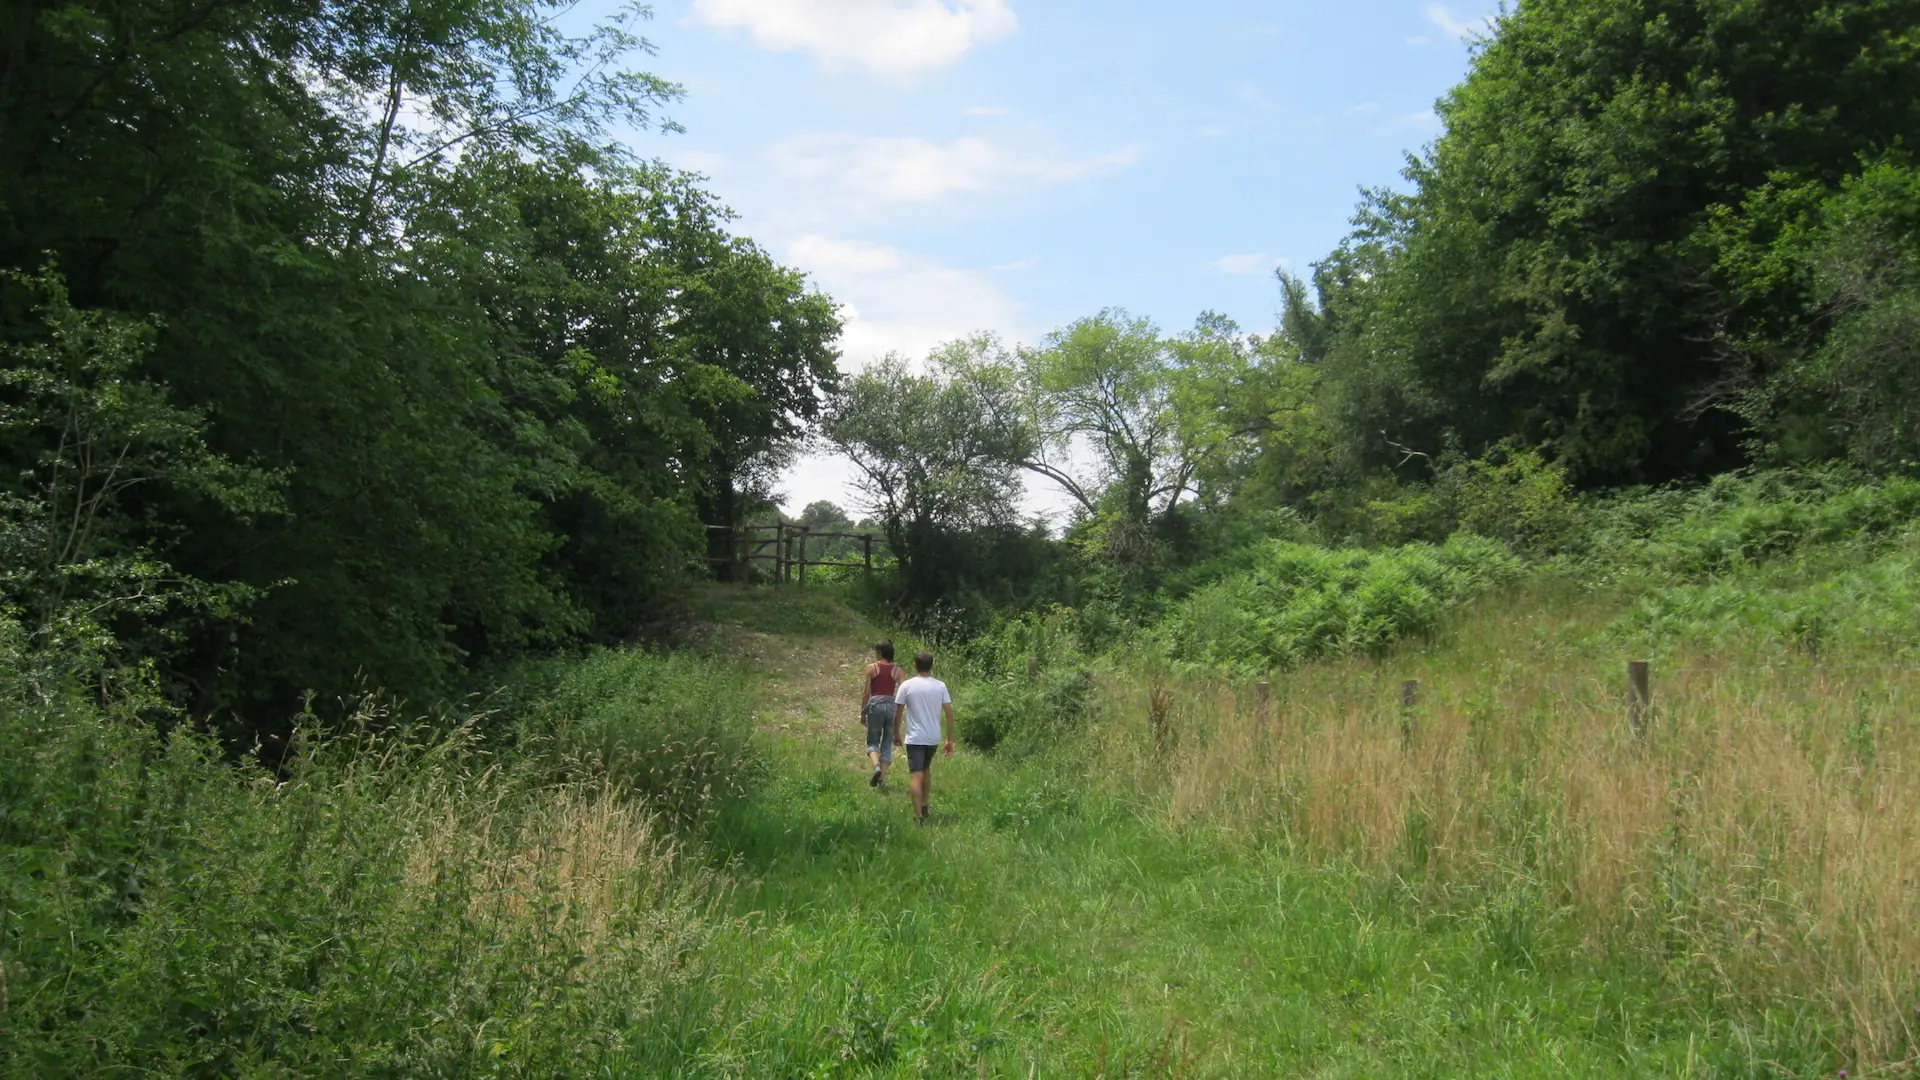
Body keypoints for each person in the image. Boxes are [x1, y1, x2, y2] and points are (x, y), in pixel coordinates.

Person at [892, 651, 954, 824]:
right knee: (926, 769)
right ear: (931, 666)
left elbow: (898, 712)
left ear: (915, 665)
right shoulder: (940, 686)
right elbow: (949, 714)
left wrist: (896, 733)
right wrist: (950, 739)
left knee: (916, 775)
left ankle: (918, 815)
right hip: (933, 737)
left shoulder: (907, 686)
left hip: (915, 737)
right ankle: (925, 803)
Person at [860, 640, 904, 789]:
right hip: (891, 706)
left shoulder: (871, 668)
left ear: (880, 652)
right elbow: (904, 691)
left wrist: (863, 712)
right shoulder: (898, 671)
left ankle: (876, 767)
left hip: (876, 706)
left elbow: (866, 693)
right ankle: (881, 780)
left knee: (873, 741)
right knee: (887, 741)